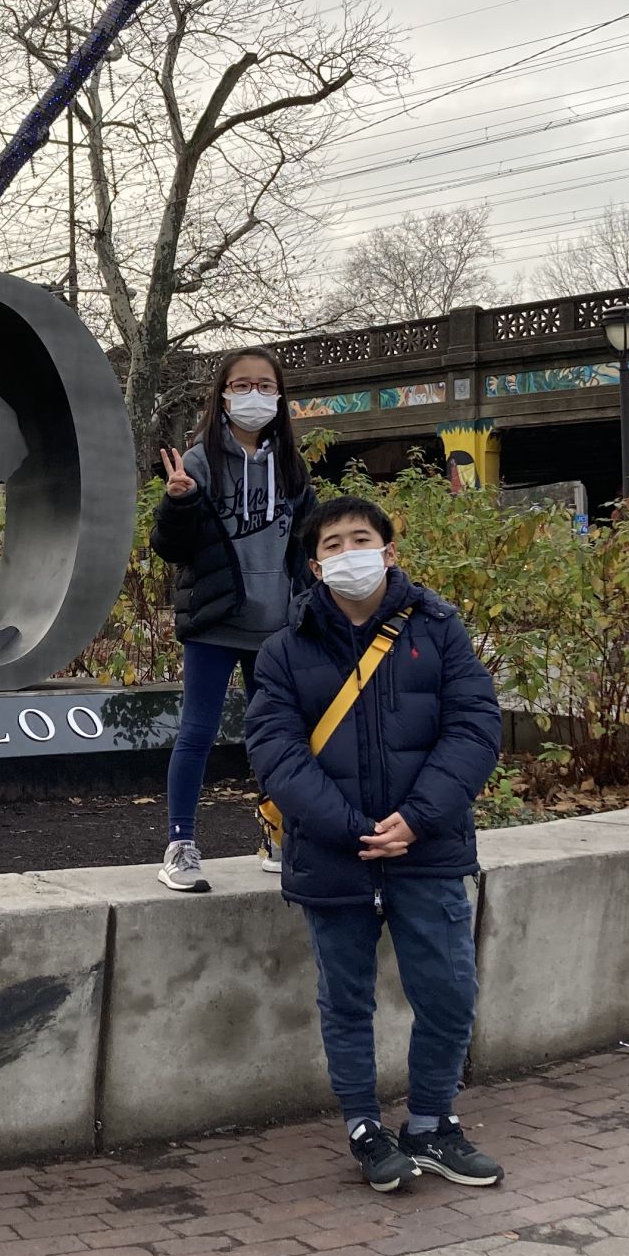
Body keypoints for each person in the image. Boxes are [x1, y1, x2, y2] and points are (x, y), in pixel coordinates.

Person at [246, 493, 504, 1192]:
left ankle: (431, 1124)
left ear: (390, 552)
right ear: (314, 564)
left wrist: (417, 818)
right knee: (347, 1000)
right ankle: (365, 1126)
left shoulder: (441, 630)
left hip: (428, 847)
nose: (348, 553)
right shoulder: (282, 651)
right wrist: (354, 827)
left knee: (449, 991)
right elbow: (276, 751)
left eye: (361, 539)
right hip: (337, 854)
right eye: (332, 545)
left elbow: (475, 727)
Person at [147, 347, 313, 893]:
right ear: (222, 395)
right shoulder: (198, 461)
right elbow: (171, 548)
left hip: (276, 628)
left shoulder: (290, 465)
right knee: (197, 733)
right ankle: (180, 844)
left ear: (280, 396)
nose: (254, 395)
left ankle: (275, 834)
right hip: (217, 624)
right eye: (242, 385)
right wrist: (178, 504)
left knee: (277, 735)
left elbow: (309, 543)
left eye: (266, 385)